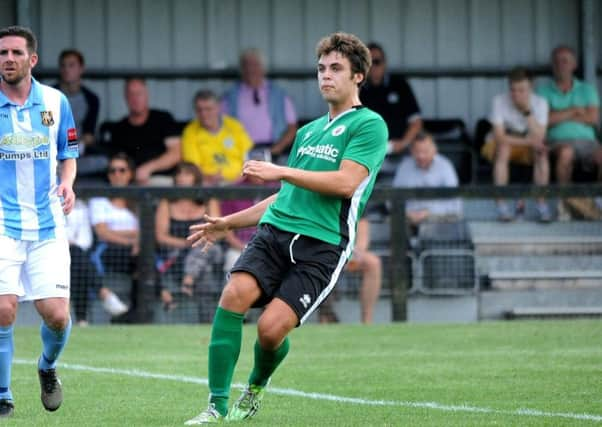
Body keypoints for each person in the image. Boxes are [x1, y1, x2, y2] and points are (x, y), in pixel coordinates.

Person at [184, 31, 387, 424]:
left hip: (324, 244)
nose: (325, 76)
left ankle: (256, 386)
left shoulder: (370, 125)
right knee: (233, 294)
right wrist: (227, 223)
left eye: (336, 69)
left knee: (270, 331)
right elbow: (284, 196)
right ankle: (215, 406)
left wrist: (280, 169)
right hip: (275, 233)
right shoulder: (308, 132)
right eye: (321, 68)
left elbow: (345, 183)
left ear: (358, 75)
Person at [0, 26, 78, 417]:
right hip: (2, 222)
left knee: (57, 315)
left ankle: (47, 367)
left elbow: (69, 152)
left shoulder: (55, 101)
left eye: (16, 52)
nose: (7, 59)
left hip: (48, 223)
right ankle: (2, 394)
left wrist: (67, 183)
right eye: (2, 53)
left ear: (32, 59)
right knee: (3, 308)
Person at [480, 67, 551, 222]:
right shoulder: (499, 100)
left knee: (542, 153)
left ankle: (542, 204)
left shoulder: (540, 103)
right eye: (513, 89)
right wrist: (529, 141)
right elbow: (499, 137)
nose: (516, 94)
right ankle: (501, 205)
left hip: (528, 143)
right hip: (502, 144)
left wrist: (527, 112)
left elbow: (540, 136)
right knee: (504, 148)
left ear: (531, 86)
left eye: (521, 90)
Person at [154, 162, 222, 313]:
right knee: (206, 270)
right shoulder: (167, 202)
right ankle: (204, 317)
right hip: (176, 254)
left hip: (209, 248)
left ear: (196, 178)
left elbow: (217, 230)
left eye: (186, 174)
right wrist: (188, 243)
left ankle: (188, 279)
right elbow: (160, 237)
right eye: (178, 174)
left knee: (209, 247)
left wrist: (199, 238)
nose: (181, 178)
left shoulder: (208, 200)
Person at [537, 46, 601, 185]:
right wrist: (574, 110)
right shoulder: (542, 91)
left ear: (574, 65)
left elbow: (593, 118)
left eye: (565, 61)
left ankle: (599, 202)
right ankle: (565, 201)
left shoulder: (587, 89)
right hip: (558, 142)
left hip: (588, 143)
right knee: (566, 152)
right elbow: (543, 121)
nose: (560, 65)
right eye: (556, 62)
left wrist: (557, 115)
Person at [221, 48, 298, 162]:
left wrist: (276, 150)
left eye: (255, 65)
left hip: (273, 151)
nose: (250, 69)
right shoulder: (230, 96)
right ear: (241, 69)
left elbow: (292, 128)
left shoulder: (279, 95)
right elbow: (220, 126)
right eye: (246, 65)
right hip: (239, 154)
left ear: (263, 68)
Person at [88, 153, 139, 317]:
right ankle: (161, 293)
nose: (117, 174)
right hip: (109, 250)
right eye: (112, 171)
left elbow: (146, 231)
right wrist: (131, 239)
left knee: (142, 261)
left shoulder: (139, 199)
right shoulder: (99, 198)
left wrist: (136, 240)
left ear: (130, 173)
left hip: (135, 251)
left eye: (122, 170)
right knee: (140, 258)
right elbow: (102, 233)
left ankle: (134, 311)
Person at [105, 78, 181, 185]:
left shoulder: (163, 119)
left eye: (139, 93)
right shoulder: (119, 128)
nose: (135, 98)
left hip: (163, 180)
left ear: (147, 95)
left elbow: (176, 153)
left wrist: (148, 168)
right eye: (131, 94)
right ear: (125, 97)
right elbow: (117, 161)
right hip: (130, 184)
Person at [66, 200, 129, 325]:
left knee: (76, 259)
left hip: (77, 254)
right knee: (76, 257)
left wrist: (74, 246)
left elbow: (85, 239)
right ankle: (103, 294)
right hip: (50, 251)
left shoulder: (82, 207)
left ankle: (82, 320)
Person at [360, 42, 422, 156]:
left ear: (384, 63)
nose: (373, 66)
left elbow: (416, 122)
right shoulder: (357, 89)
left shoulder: (400, 85)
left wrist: (403, 143)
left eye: (376, 62)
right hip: (369, 153)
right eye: (368, 63)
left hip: (403, 151)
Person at [181, 90, 253, 186]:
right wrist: (208, 178)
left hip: (240, 181)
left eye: (208, 109)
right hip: (207, 184)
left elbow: (249, 157)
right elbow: (193, 167)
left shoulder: (234, 126)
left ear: (218, 108)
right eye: (199, 110)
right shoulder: (190, 131)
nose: (203, 114)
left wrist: (239, 178)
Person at [392, 132, 462, 230]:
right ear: (411, 151)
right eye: (417, 151)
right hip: (407, 221)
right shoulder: (404, 166)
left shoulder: (445, 167)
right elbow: (393, 197)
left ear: (435, 150)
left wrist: (428, 213)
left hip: (438, 221)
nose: (421, 156)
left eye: (425, 151)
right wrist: (407, 213)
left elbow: (455, 205)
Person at [318, 217, 382, 324]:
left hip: (346, 252)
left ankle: (367, 322)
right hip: (320, 253)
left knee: (373, 263)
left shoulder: (353, 200)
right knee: (320, 264)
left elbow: (363, 224)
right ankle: (325, 321)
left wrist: (357, 251)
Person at [53, 49, 104, 177]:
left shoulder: (91, 98)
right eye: (63, 65)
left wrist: (75, 148)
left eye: (71, 65)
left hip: (79, 153)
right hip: (52, 151)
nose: (66, 69)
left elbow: (89, 135)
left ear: (81, 69)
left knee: (104, 162)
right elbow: (45, 128)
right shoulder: (48, 95)